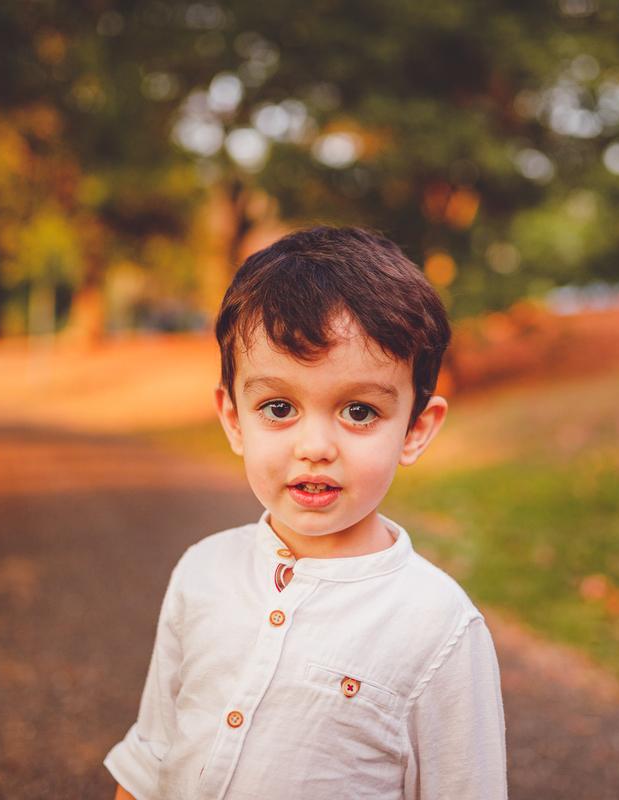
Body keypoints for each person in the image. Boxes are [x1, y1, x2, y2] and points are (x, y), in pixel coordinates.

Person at [104, 226, 507, 800]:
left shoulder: (436, 627)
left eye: (360, 411)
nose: (315, 446)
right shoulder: (202, 571)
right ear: (234, 418)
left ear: (416, 429)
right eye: (278, 407)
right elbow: (151, 758)